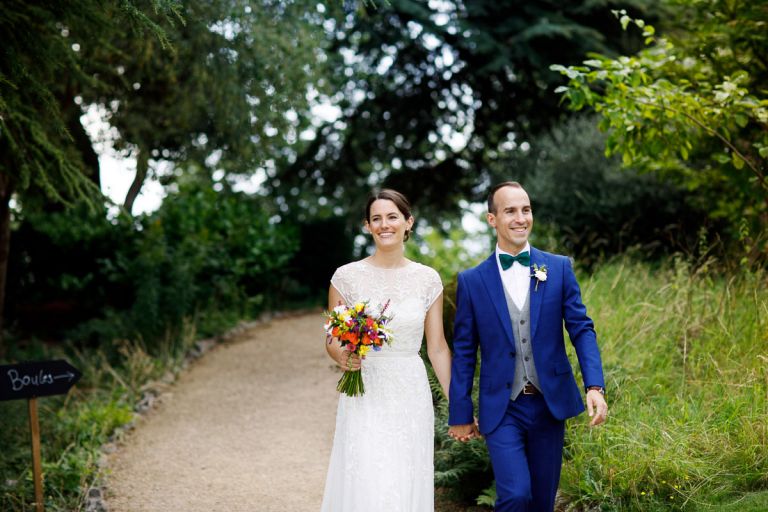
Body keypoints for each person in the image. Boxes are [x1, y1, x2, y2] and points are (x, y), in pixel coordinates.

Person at [448, 181, 608, 512]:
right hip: (502, 407)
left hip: (550, 405)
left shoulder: (559, 268)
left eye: (526, 209)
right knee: (515, 495)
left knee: (541, 502)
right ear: (492, 219)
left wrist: (595, 385)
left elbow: (581, 328)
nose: (521, 218)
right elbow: (464, 353)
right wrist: (460, 412)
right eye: (510, 211)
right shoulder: (472, 281)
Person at [320, 189, 452, 512]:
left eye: (392, 217)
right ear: (367, 226)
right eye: (376, 218)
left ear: (408, 222)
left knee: (403, 479)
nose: (384, 225)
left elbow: (436, 348)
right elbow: (332, 339)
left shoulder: (427, 280)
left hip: (409, 390)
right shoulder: (345, 278)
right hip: (364, 390)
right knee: (366, 478)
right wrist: (343, 356)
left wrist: (458, 403)